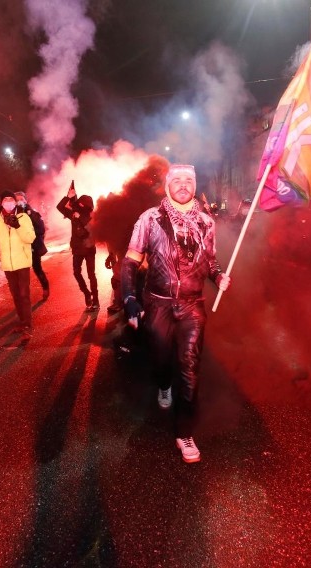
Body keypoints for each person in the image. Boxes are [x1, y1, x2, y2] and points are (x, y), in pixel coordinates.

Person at [120, 164, 231, 463]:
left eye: (189, 180)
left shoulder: (207, 222)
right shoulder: (150, 218)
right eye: (177, 180)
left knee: (190, 367)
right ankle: (163, 385)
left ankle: (184, 433)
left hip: (193, 305)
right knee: (160, 359)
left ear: (195, 186)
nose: (183, 185)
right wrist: (129, 297)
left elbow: (210, 261)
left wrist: (219, 277)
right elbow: (130, 261)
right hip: (158, 303)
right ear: (168, 185)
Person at [0, 190, 36, 337]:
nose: (8, 202)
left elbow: (30, 238)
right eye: (5, 199)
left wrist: (18, 226)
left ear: (15, 202)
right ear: (1, 203)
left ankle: (27, 324)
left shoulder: (23, 216)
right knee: (15, 295)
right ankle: (22, 322)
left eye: (11, 199)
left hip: (22, 262)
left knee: (24, 294)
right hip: (8, 264)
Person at [57, 181, 99, 311]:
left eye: (82, 204)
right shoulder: (74, 214)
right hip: (77, 249)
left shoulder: (92, 216)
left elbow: (90, 228)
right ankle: (86, 293)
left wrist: (80, 217)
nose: (79, 205)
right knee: (76, 272)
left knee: (91, 275)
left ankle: (96, 300)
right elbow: (60, 207)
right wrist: (68, 197)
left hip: (89, 248)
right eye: (79, 203)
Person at [14, 190, 50, 300]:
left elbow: (41, 229)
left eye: (21, 199)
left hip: (33, 247)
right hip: (20, 248)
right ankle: (23, 296)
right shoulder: (13, 214)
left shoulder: (32, 213)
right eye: (17, 200)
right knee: (21, 272)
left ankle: (45, 287)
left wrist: (29, 211)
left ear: (25, 200)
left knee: (37, 268)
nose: (19, 202)